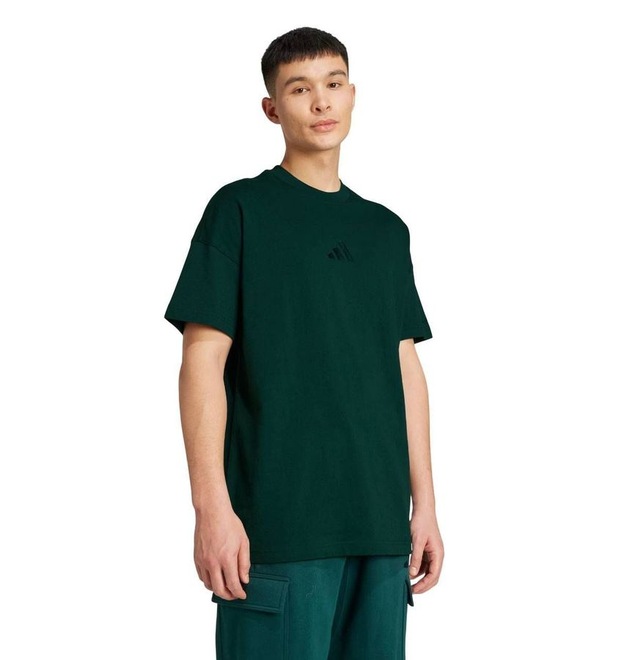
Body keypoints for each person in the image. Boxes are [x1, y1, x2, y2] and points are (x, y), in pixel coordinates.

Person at [164, 26, 444, 660]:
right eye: (299, 88)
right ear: (272, 108)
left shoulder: (385, 230)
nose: (321, 101)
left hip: (380, 530)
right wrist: (211, 507)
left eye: (333, 83)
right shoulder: (239, 210)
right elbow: (202, 360)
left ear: (352, 95)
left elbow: (404, 366)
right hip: (279, 527)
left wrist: (424, 505)